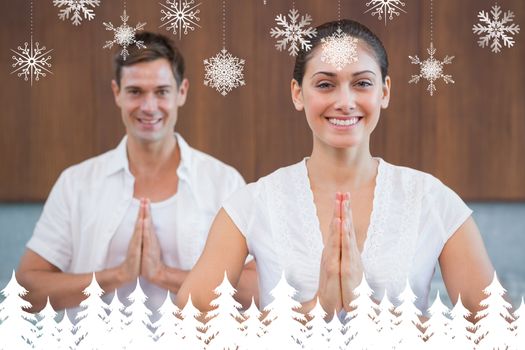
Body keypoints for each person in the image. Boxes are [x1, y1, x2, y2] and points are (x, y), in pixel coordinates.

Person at [177, 20, 494, 318]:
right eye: (326, 84)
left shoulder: (431, 200)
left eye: (362, 83)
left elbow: (497, 332)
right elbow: (191, 324)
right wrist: (318, 307)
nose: (345, 101)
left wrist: (364, 306)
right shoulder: (251, 204)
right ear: (298, 93)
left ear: (384, 92)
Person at [16, 32, 257, 317]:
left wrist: (163, 274)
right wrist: (117, 275)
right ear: (117, 92)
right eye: (135, 92)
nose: (148, 106)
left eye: (161, 91)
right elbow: (27, 291)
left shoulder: (223, 183)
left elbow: (253, 289)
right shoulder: (77, 183)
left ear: (182, 92)